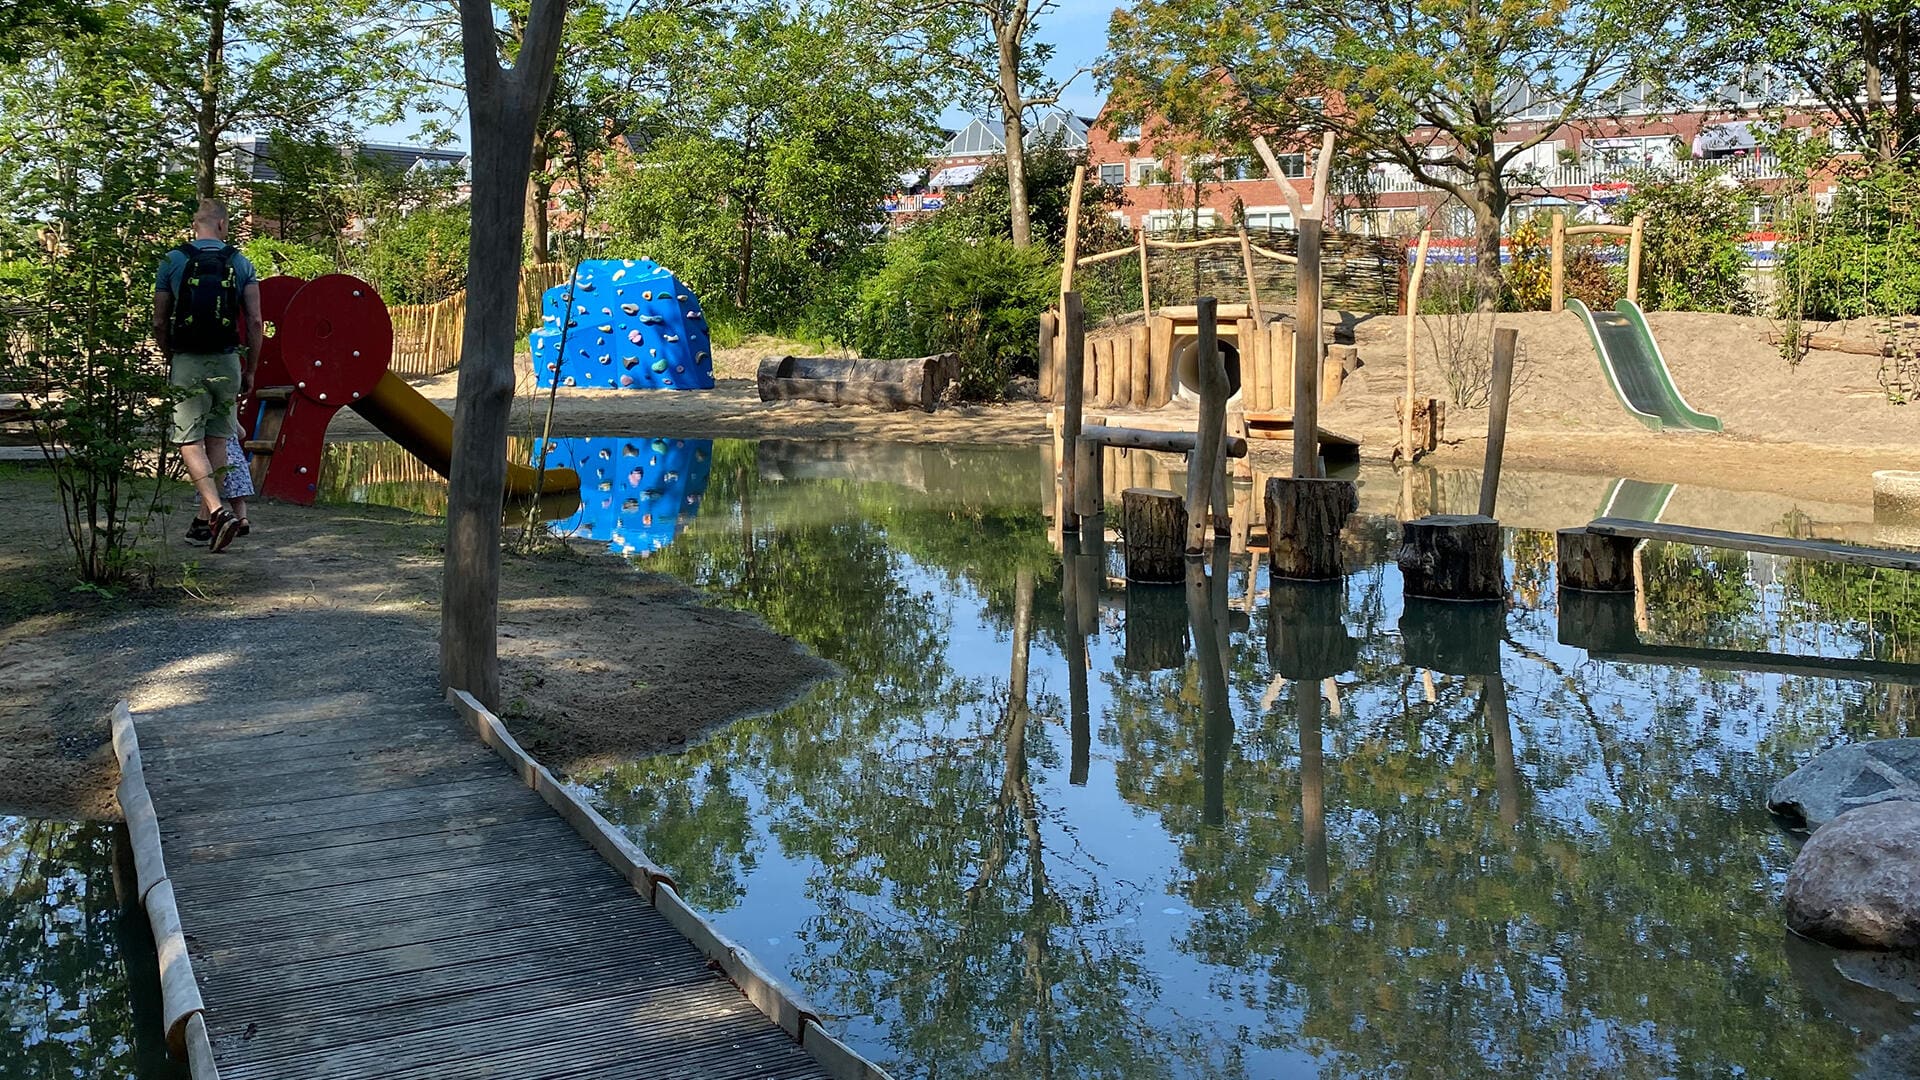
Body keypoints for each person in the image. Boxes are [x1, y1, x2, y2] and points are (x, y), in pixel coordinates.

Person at [153, 199, 261, 552]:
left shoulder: (173, 260)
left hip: (188, 360)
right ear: (223, 225)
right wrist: (251, 369)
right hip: (227, 361)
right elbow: (255, 321)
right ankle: (205, 523)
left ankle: (215, 511)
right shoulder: (241, 262)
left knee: (190, 442)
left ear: (194, 225)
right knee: (217, 440)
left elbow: (159, 320)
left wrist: (170, 354)